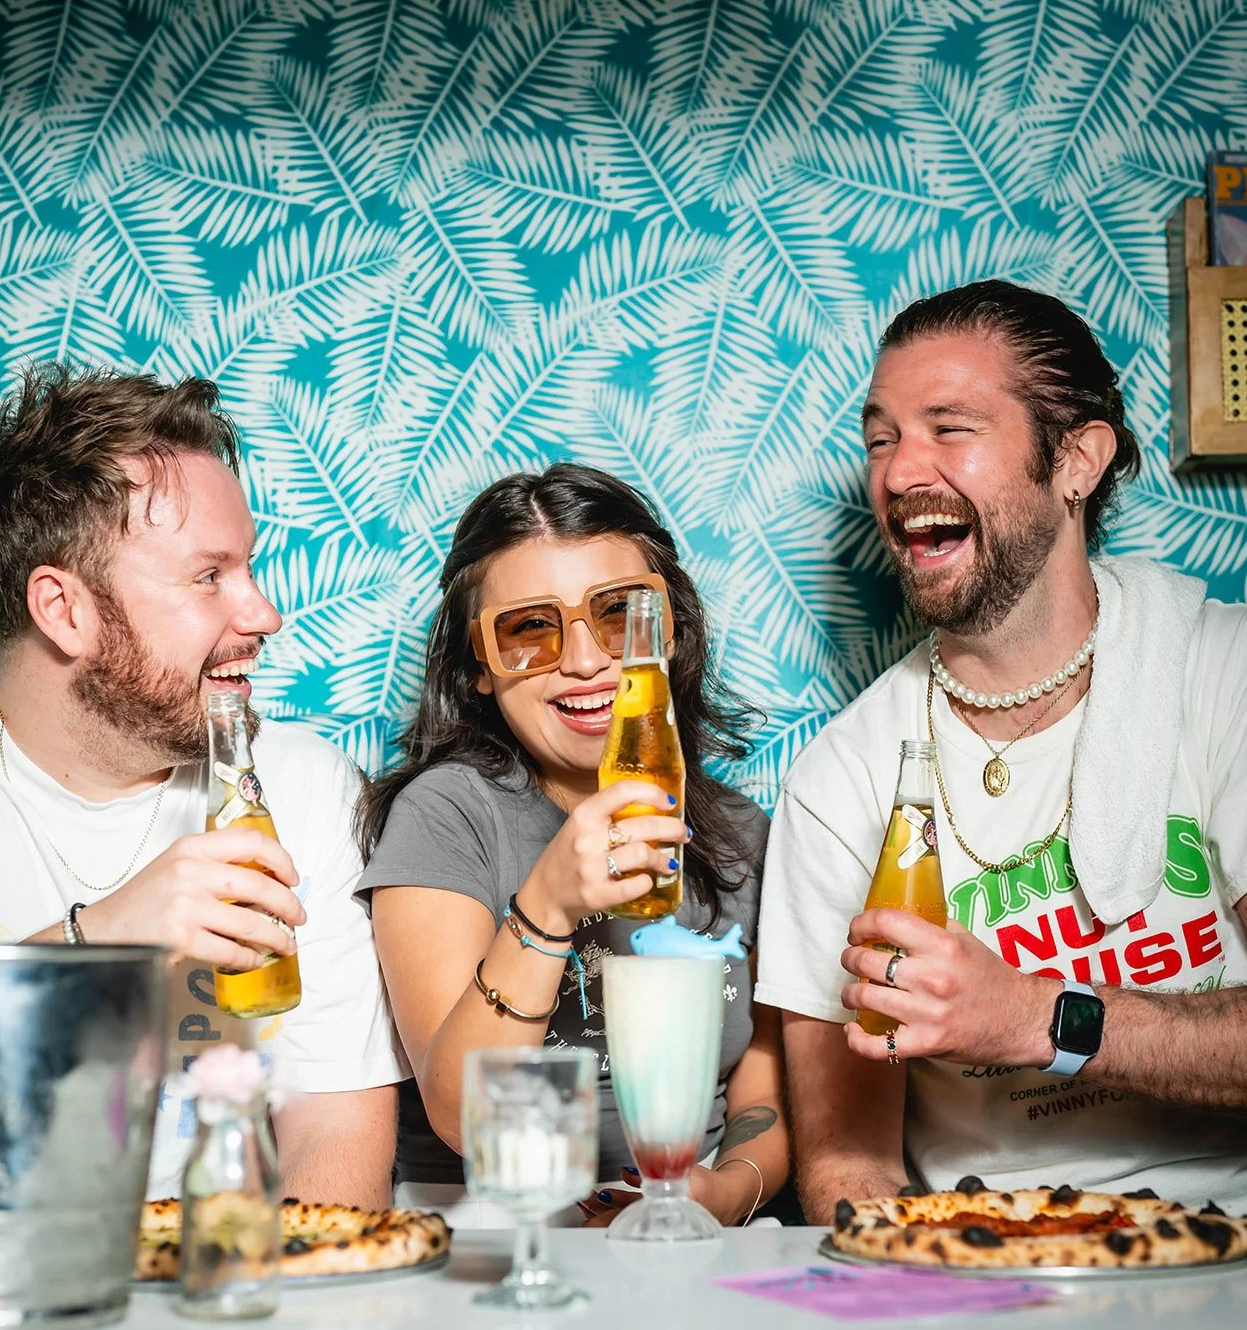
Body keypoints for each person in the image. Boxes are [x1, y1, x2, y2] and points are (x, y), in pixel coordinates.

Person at [0, 365, 406, 1202]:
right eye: (208, 576)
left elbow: (334, 1135)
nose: (263, 616)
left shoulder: (302, 783)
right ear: (63, 609)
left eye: (248, 569)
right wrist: (95, 943)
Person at [757, 280, 1247, 1220]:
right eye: (881, 438)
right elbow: (848, 1163)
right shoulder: (843, 778)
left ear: (1076, 460)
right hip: (986, 1257)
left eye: (949, 428)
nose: (900, 473)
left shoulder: (1220, 677)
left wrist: (1037, 1018)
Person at [355, 465, 788, 1228]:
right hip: (495, 1234)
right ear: (477, 667)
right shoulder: (448, 815)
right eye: (530, 629)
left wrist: (725, 1193)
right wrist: (549, 904)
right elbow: (461, 1115)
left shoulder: (742, 835)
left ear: (673, 628)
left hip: (694, 1230)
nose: (586, 662)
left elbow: (762, 1101)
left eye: (621, 615)